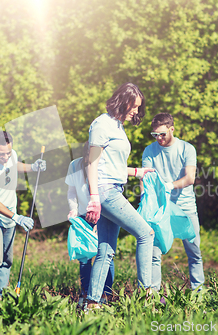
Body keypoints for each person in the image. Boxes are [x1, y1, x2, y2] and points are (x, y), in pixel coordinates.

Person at [85, 83, 155, 310]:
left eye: (138, 107)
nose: (136, 111)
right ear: (123, 101)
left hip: (113, 187)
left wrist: (137, 172)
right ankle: (147, 298)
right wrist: (94, 198)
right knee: (146, 234)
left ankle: (92, 302)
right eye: (134, 106)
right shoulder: (101, 124)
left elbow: (112, 165)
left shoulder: (117, 126)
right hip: (105, 192)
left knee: (106, 250)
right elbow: (92, 162)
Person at [0, 130, 46, 296]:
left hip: (11, 219)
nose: (6, 157)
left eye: (8, 152)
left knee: (7, 261)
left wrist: (33, 167)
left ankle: (1, 295)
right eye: (2, 154)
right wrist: (17, 217)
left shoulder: (10, 155)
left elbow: (15, 164)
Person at [142, 113, 205, 292]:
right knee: (155, 253)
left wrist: (169, 186)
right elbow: (145, 178)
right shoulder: (149, 151)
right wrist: (145, 200)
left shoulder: (187, 149)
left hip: (185, 207)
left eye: (162, 134)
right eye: (155, 135)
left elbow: (190, 178)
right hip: (160, 209)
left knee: (194, 252)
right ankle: (152, 295)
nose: (159, 138)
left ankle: (198, 293)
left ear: (172, 129)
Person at [66, 141, 114, 306]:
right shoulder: (74, 165)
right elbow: (71, 191)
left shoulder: (104, 165)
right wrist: (73, 210)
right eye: (88, 155)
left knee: (106, 254)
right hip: (82, 216)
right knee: (84, 257)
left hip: (103, 214)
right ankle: (85, 292)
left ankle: (106, 294)